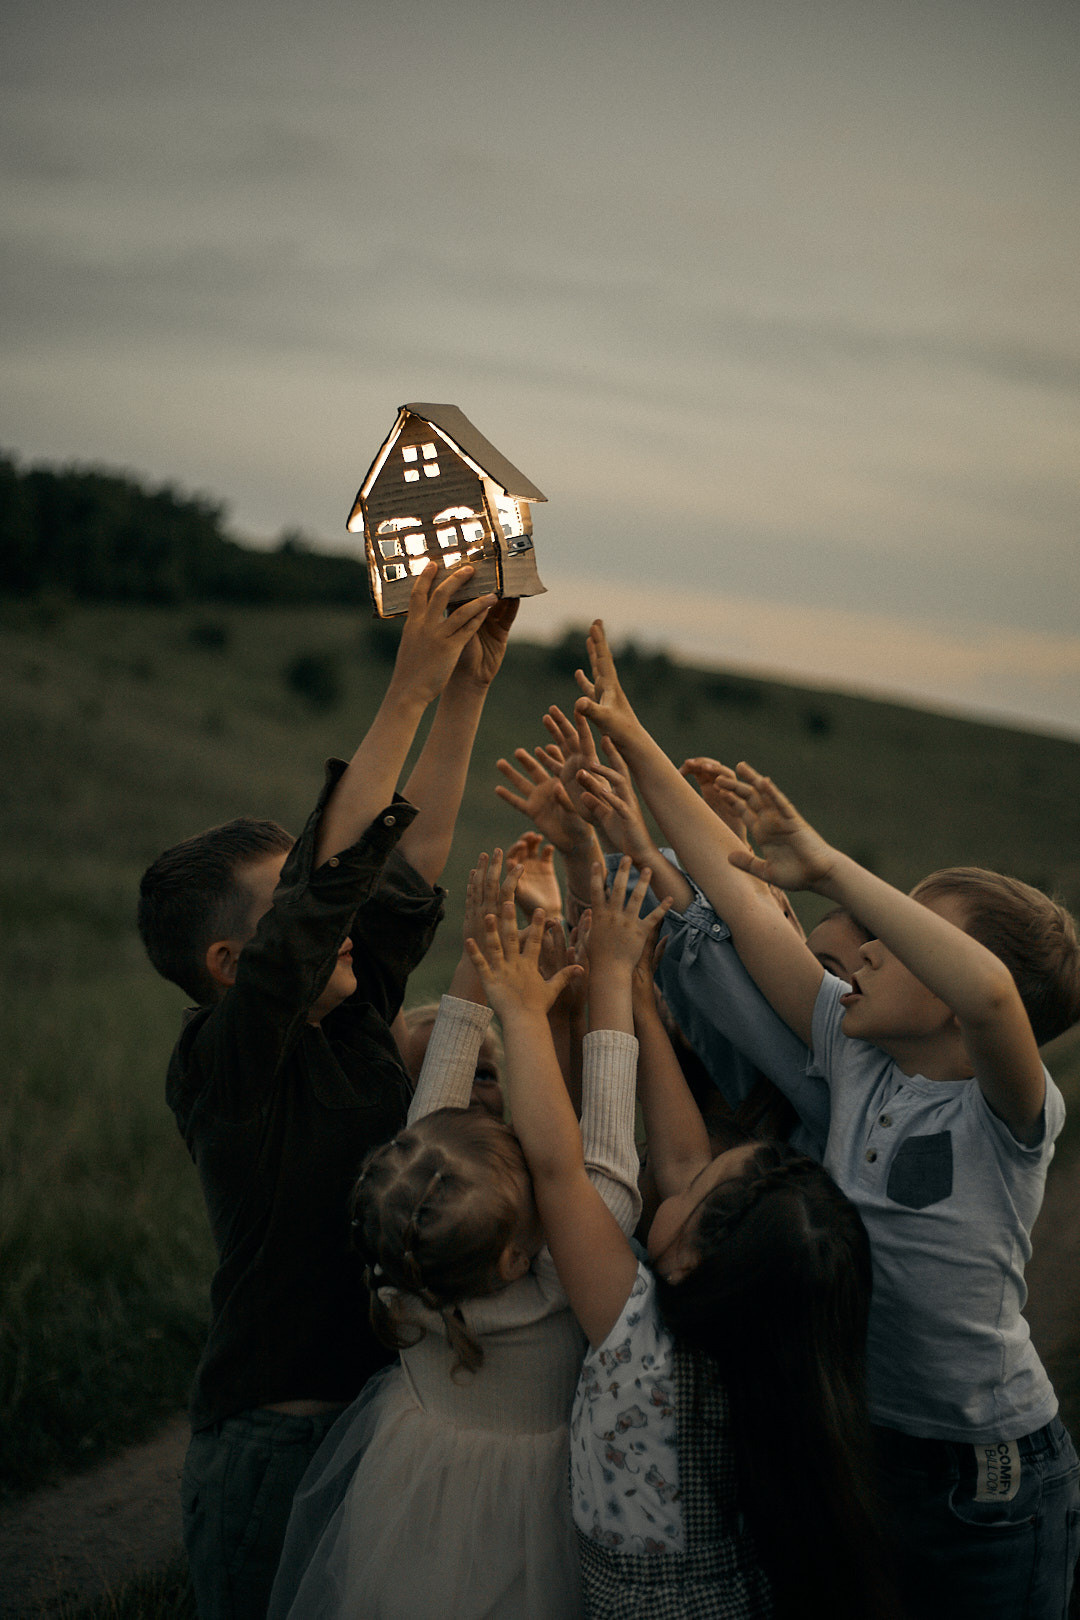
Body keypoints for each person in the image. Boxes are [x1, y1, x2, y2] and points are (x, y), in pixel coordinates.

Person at [573, 618, 1080, 1620]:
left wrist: (835, 870)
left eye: (903, 934)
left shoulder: (1004, 1116)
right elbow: (738, 900)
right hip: (867, 1442)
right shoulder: (854, 1055)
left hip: (987, 1485)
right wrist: (632, 738)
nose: (867, 945)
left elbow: (991, 998)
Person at [137, 562, 515, 1620]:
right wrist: (407, 686)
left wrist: (465, 691)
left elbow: (405, 869)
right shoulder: (221, 1067)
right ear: (229, 965)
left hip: (383, 1422)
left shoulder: (352, 1017)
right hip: (277, 1441)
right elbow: (323, 905)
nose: (339, 919)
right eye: (299, 905)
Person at [467, 860, 894, 1620]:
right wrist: (638, 1004)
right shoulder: (786, 1367)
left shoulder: (640, 1343)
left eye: (693, 1194)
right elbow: (683, 1158)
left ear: (694, 1261)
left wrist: (526, 1015)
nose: (682, 1178)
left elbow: (559, 1173)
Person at [267, 853, 658, 1620]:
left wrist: (493, 966)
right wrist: (604, 978)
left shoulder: (401, 1246)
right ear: (516, 1257)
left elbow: (439, 1114)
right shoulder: (558, 1286)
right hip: (529, 1531)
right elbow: (594, 1165)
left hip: (410, 1500)